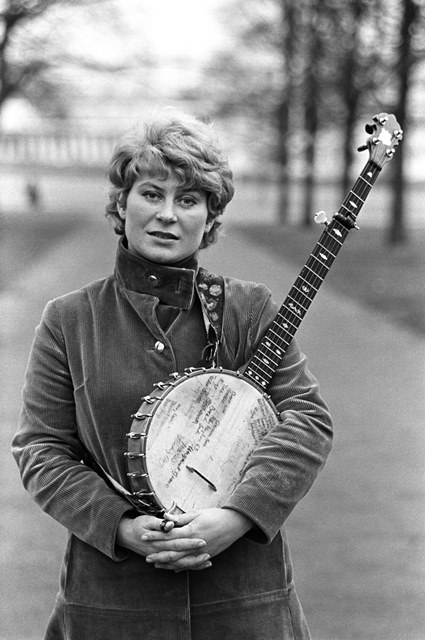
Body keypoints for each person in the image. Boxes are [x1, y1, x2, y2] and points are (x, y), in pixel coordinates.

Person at [12, 110, 333, 640]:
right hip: (112, 600)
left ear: (209, 217)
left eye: (188, 200)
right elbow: (42, 448)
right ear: (121, 202)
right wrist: (122, 527)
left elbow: (307, 420)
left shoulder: (249, 309)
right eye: (151, 193)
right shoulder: (69, 319)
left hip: (242, 600)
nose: (167, 214)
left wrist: (236, 517)